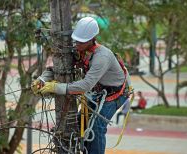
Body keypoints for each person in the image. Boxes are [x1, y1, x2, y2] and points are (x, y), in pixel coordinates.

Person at [31, 17, 133, 154]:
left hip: (115, 95)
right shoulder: (80, 51)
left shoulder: (102, 57)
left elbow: (85, 85)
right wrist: (42, 80)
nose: (77, 43)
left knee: (96, 127)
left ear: (92, 39)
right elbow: (57, 68)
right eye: (76, 39)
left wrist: (56, 88)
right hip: (97, 93)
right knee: (78, 125)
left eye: (81, 41)